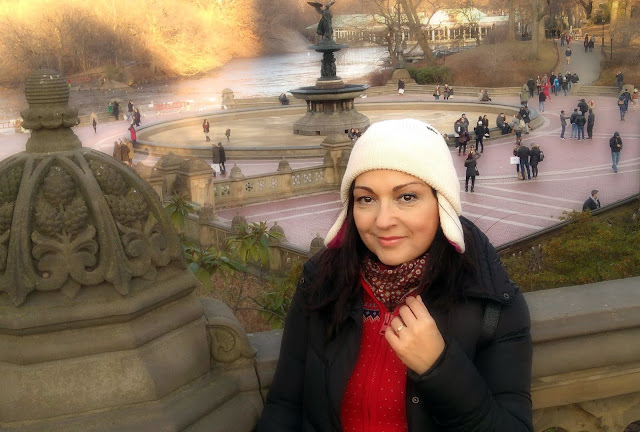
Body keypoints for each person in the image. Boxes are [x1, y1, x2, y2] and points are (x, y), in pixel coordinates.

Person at [257, 118, 533, 432]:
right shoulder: (322, 283)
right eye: (366, 199)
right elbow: (284, 405)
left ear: (441, 203)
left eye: (407, 197)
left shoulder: (492, 301)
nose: (383, 220)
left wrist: (439, 368)